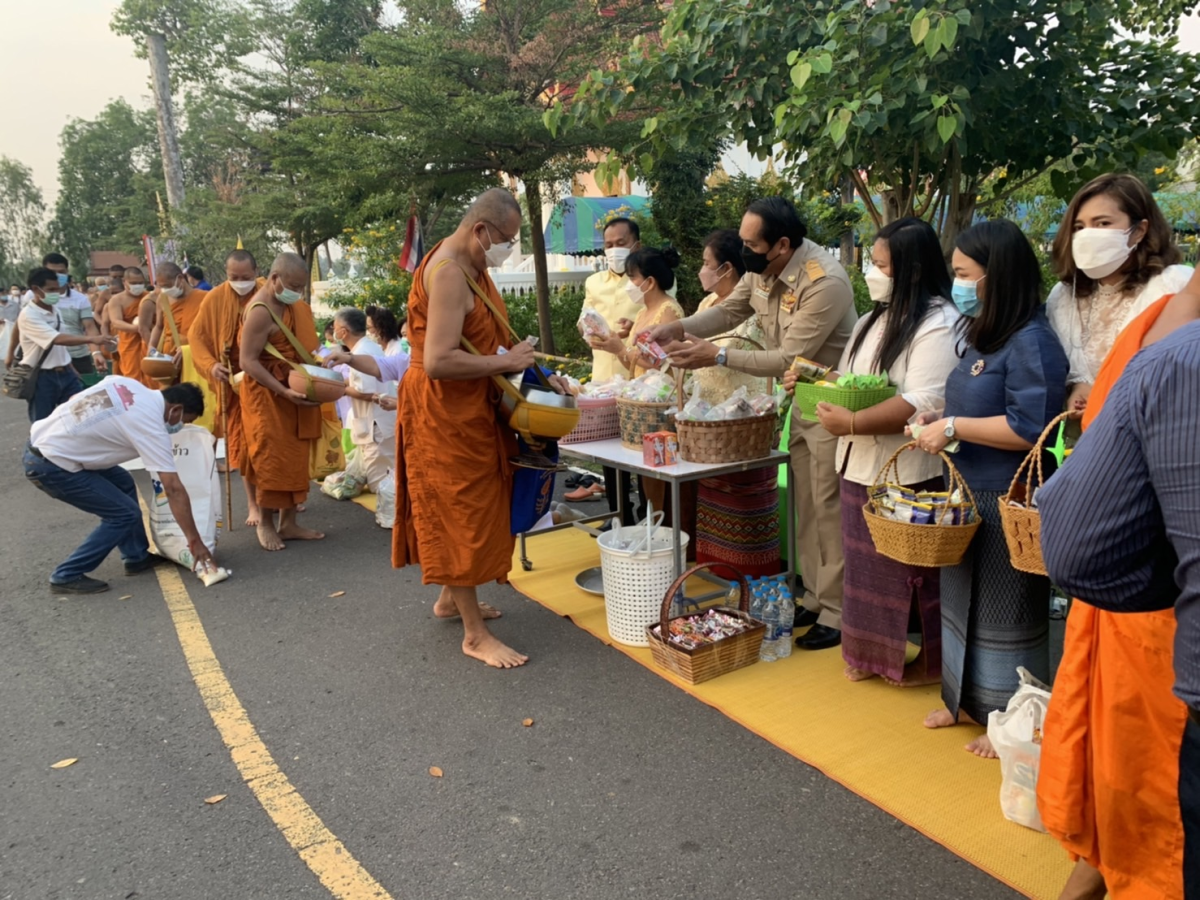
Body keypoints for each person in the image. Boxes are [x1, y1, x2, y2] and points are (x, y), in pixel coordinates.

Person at [1036, 269, 1200, 900]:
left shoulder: (1169, 342)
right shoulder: (1155, 326)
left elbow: (1079, 544)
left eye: (1106, 223)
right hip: (1141, 606)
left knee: (1151, 769)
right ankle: (1105, 853)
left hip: (1154, 602)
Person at [649, 197, 857, 650]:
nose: (743, 252)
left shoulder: (825, 283)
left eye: (750, 244)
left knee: (827, 509)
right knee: (805, 506)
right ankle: (816, 598)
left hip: (836, 402)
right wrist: (679, 327)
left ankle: (839, 613)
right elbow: (728, 311)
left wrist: (717, 353)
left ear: (781, 244)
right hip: (802, 401)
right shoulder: (763, 272)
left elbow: (789, 356)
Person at [911, 218, 1068, 757]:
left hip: (1006, 497)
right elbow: (971, 406)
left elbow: (1030, 428)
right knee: (960, 603)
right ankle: (963, 701)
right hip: (966, 492)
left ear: (995, 277)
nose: (955, 284)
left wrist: (953, 427)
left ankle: (1011, 717)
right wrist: (940, 416)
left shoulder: (1033, 341)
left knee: (1008, 612)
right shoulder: (985, 335)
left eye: (962, 274)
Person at [395, 187, 566, 669]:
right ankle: (474, 635)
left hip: (473, 404)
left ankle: (452, 599)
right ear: (479, 230)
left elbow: (489, 343)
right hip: (443, 410)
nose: (507, 248)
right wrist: (506, 361)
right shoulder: (449, 274)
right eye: (506, 239)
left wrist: (533, 373)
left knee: (478, 501)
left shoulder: (474, 266)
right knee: (460, 509)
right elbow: (439, 361)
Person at [793, 217, 960, 685]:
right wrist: (811, 382)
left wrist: (849, 422)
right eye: (873, 262)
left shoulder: (939, 324)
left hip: (910, 468)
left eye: (882, 264)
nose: (873, 271)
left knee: (913, 574)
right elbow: (850, 382)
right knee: (865, 569)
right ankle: (868, 656)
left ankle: (930, 661)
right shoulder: (872, 320)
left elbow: (921, 400)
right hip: (857, 462)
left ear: (911, 269)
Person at [23, 380, 217, 594]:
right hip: (52, 465)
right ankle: (66, 575)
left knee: (122, 481)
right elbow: (172, 488)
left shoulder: (123, 383)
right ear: (176, 410)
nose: (179, 427)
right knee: (124, 514)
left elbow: (73, 400)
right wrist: (194, 540)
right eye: (184, 421)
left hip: (47, 445)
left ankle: (136, 557)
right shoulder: (150, 424)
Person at [1045, 173, 1193, 414]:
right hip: (1084, 441)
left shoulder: (1173, 286)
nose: (1088, 235)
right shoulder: (1063, 297)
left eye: (1103, 223)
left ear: (1138, 231)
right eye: (1079, 227)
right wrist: (1077, 386)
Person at [685, 230, 779, 576]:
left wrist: (716, 355)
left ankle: (753, 581)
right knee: (714, 500)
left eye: (707, 264)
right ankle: (716, 572)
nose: (701, 270)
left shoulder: (756, 312)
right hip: (708, 423)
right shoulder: (706, 306)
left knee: (744, 503)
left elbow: (766, 358)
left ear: (726, 269)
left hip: (744, 422)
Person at [586, 246, 687, 523]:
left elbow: (667, 363)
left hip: (659, 404)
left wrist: (621, 348)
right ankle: (650, 523)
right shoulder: (645, 311)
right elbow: (640, 354)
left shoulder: (668, 310)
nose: (630, 285)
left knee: (657, 470)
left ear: (649, 281)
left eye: (632, 278)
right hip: (640, 403)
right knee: (644, 469)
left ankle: (660, 524)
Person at [236, 252, 326, 551]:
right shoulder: (260, 310)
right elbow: (248, 361)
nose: (297, 292)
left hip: (296, 386)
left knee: (296, 456)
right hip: (268, 394)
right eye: (292, 285)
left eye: (301, 287)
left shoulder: (294, 306)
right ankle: (265, 522)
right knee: (271, 458)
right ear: (274, 279)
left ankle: (288, 523)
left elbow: (306, 346)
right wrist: (282, 390)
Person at [189, 249, 266, 525]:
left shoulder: (268, 293)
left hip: (268, 381)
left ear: (256, 273)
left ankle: (280, 499)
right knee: (244, 446)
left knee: (272, 444)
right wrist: (211, 365)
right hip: (235, 385)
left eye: (246, 277)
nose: (240, 281)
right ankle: (254, 505)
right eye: (234, 277)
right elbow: (196, 338)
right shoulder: (216, 297)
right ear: (226, 274)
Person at [579, 217, 644, 512]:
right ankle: (619, 514)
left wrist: (630, 332)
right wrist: (589, 333)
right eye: (608, 245)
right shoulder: (593, 282)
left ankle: (648, 511)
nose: (614, 250)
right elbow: (583, 319)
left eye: (621, 244)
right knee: (608, 453)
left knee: (640, 452)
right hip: (604, 377)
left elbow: (661, 318)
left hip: (640, 379)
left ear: (636, 245)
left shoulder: (648, 279)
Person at [14, 268, 115, 421]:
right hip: (42, 377)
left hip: (66, 374)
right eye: (51, 290)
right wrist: (93, 339)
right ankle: (36, 446)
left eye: (57, 289)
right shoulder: (29, 315)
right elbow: (57, 339)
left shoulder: (55, 311)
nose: (56, 293)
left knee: (81, 418)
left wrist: (71, 368)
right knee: (43, 424)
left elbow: (60, 347)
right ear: (35, 289)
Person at [333, 307, 395, 491]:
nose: (334, 331)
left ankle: (389, 517)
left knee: (380, 484)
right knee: (390, 476)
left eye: (335, 327)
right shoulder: (369, 346)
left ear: (343, 332)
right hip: (381, 421)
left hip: (376, 424)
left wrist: (340, 389)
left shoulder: (360, 354)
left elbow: (367, 393)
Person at [147, 261, 208, 377]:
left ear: (180, 278)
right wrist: (151, 346)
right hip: (170, 360)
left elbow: (210, 332)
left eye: (167, 286)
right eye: (161, 286)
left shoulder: (204, 298)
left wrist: (189, 348)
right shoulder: (162, 299)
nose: (164, 290)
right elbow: (159, 326)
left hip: (196, 355)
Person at [106, 266, 156, 387]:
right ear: (124, 282)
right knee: (133, 379)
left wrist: (147, 329)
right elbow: (116, 322)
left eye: (140, 283)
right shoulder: (117, 300)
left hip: (150, 340)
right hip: (130, 344)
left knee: (153, 375)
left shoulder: (150, 297)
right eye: (133, 283)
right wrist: (139, 329)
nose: (137, 286)